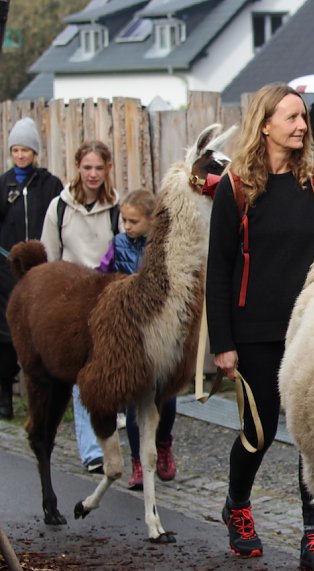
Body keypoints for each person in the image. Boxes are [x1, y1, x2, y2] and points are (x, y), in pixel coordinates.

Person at [206, 83, 314, 564]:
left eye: (303, 117)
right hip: (254, 332)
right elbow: (219, 269)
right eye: (291, 117)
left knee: (312, 437)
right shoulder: (237, 186)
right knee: (259, 432)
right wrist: (223, 343)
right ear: (265, 125)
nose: (302, 126)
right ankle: (238, 506)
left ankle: (313, 533)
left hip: (308, 332)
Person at [41, 140, 120, 474]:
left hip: (106, 300)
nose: (93, 174)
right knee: (80, 374)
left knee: (107, 372)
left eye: (99, 168)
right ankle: (91, 450)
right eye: (87, 167)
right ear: (78, 168)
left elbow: (124, 254)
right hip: (70, 302)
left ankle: (110, 440)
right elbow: (49, 256)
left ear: (108, 169)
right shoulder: (60, 208)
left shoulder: (117, 209)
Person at [95, 189, 177, 489]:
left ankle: (163, 444)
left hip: (160, 329)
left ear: (151, 220)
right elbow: (102, 274)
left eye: (133, 221)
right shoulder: (118, 244)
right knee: (135, 399)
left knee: (164, 395)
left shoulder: (164, 246)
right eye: (124, 221)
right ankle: (139, 463)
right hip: (129, 331)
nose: (127, 226)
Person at [0, 118, 63, 420]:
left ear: (34, 152)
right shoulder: (4, 184)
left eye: (25, 150)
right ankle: (5, 396)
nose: (21, 155)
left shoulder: (49, 184)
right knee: (6, 335)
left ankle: (45, 400)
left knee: (41, 332)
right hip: (7, 273)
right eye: (16, 150)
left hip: (41, 272)